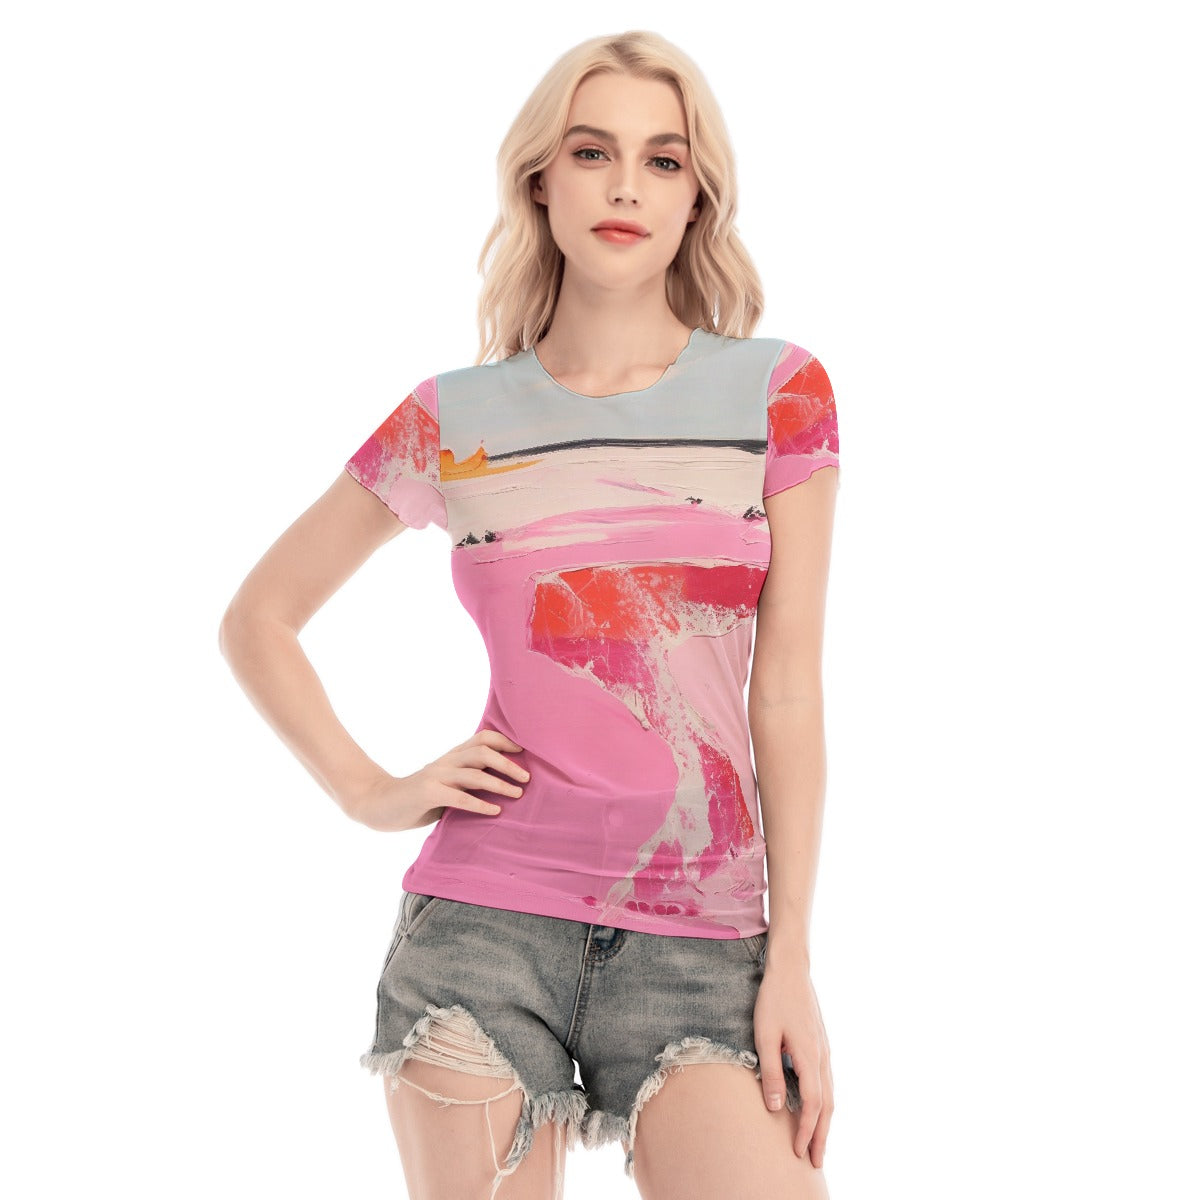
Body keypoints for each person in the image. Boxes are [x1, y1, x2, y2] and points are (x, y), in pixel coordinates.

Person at [219, 29, 839, 1200]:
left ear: (697, 196)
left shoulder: (777, 395)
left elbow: (790, 690)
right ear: (540, 180)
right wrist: (370, 791)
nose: (625, 186)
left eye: (663, 160)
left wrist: (792, 955)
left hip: (705, 946)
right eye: (593, 151)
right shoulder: (453, 421)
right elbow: (260, 618)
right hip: (484, 929)